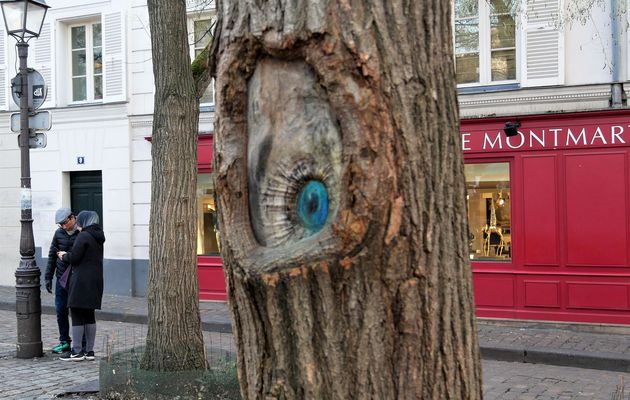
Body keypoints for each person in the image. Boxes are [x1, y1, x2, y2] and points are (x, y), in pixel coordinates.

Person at [57, 211, 105, 362]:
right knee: (89, 315)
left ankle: (76, 351)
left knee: (77, 312)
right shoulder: (98, 236)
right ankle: (89, 351)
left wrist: (63, 255)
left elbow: (75, 258)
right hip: (95, 280)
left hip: (81, 280)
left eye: (79, 220)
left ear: (84, 221)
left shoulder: (83, 236)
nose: (77, 222)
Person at [45, 208, 79, 354]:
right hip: (61, 278)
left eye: (64, 223)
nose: (63, 226)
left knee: (77, 311)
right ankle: (64, 341)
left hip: (76, 278)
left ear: (72, 218)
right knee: (60, 310)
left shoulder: (81, 232)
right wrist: (48, 276)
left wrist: (67, 255)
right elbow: (52, 254)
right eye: (60, 224)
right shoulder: (58, 233)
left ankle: (80, 344)